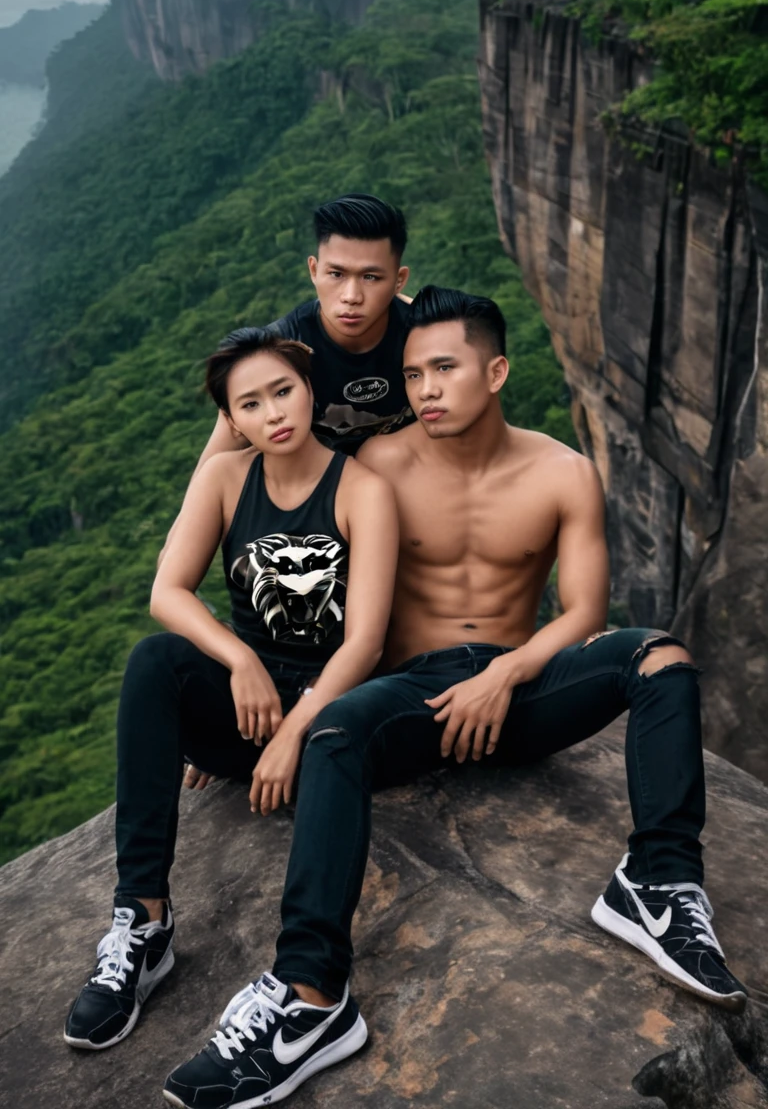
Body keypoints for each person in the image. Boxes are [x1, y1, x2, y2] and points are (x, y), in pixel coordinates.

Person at [161, 286, 747, 1109]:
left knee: (660, 658)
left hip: (520, 687)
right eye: (411, 374)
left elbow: (583, 612)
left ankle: (656, 882)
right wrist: (238, 706)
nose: (425, 389)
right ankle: (310, 996)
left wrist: (505, 674)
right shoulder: (376, 463)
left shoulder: (562, 472)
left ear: (497, 370)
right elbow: (256, 470)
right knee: (333, 732)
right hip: (409, 695)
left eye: (444, 368)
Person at [64, 327, 399, 1064]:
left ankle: (303, 992)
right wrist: (239, 658)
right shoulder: (224, 479)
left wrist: (291, 732)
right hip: (249, 710)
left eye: (283, 390)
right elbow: (166, 592)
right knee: (155, 663)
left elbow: (367, 643)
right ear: (233, 419)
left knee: (331, 719)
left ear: (310, 390)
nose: (274, 412)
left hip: (330, 716)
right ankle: (143, 922)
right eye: (250, 403)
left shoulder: (362, 488)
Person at [194, 192, 414, 464]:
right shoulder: (276, 352)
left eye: (371, 277)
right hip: (309, 493)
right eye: (336, 274)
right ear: (314, 270)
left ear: (399, 280)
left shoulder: (428, 334)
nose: (351, 296)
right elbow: (214, 466)